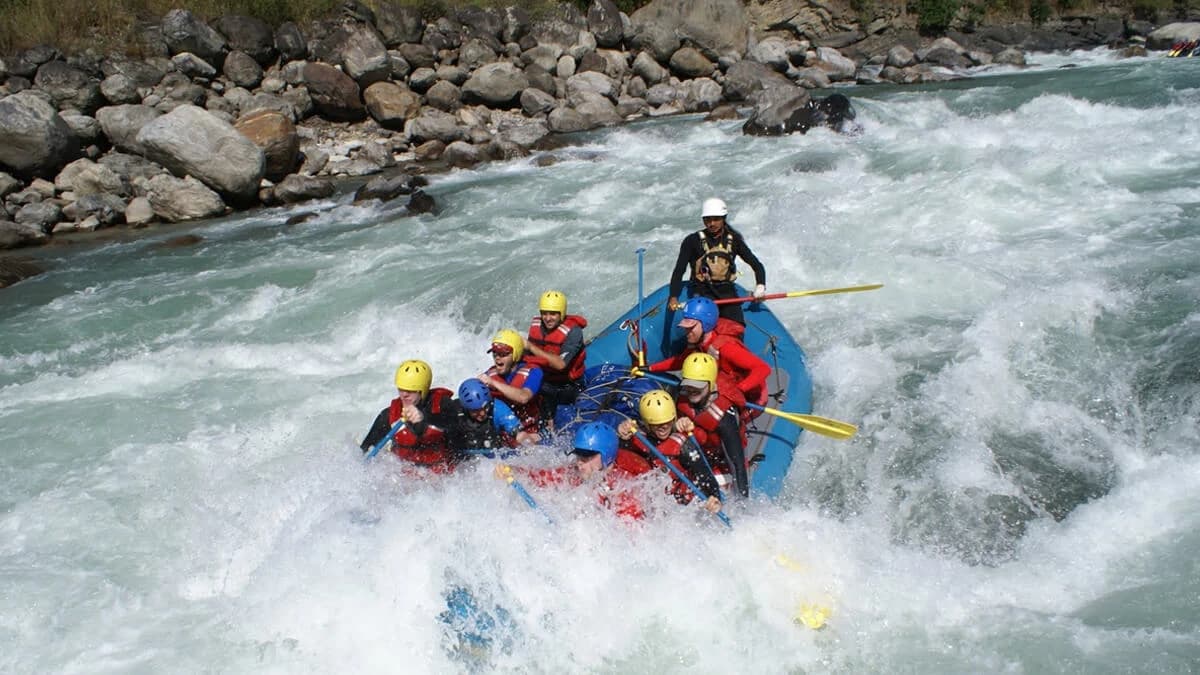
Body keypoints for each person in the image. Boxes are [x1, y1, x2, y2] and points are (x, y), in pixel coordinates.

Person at [495, 422, 648, 520]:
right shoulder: (575, 473)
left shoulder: (623, 487)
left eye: (587, 457)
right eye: (579, 455)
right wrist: (512, 470)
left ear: (607, 456)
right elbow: (541, 478)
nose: (580, 463)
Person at [642, 296, 771, 411]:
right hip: (726, 387)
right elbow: (681, 361)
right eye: (686, 328)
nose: (687, 332)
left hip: (752, 396)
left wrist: (739, 389)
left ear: (706, 325)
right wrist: (651, 368)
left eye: (691, 327)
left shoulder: (726, 347)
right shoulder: (698, 343)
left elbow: (763, 368)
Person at [616, 390, 723, 512]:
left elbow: (705, 475)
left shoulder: (683, 445)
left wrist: (714, 498)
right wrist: (621, 432)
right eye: (656, 424)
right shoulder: (637, 437)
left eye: (667, 422)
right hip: (654, 503)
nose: (663, 427)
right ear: (646, 423)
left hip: (682, 506)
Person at [668, 197, 767, 325]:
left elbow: (756, 265)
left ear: (724, 218)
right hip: (702, 293)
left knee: (736, 327)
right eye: (707, 219)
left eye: (716, 219)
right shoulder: (692, 241)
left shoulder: (734, 240)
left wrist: (760, 286)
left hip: (727, 292)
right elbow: (679, 270)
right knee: (701, 330)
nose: (712, 223)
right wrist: (674, 297)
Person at [360, 359, 462, 471]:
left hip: (441, 473)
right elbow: (365, 450)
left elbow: (454, 426)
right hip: (405, 476)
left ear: (422, 390)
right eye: (401, 389)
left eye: (410, 391)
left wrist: (424, 418)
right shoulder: (388, 415)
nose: (404, 395)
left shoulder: (443, 405)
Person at [674, 352, 751, 498]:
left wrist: (742, 501)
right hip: (696, 456)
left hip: (721, 463)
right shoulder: (683, 397)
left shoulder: (724, 418)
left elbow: (737, 464)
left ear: (710, 384)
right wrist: (676, 425)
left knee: (696, 494)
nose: (692, 391)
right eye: (688, 385)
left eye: (697, 386)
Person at [523, 290, 587, 425]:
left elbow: (560, 364)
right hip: (545, 383)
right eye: (544, 313)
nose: (547, 318)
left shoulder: (574, 332)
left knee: (562, 420)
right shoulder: (536, 327)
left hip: (568, 386)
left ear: (561, 313)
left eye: (553, 314)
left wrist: (531, 347)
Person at [443, 379, 541, 453]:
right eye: (475, 411)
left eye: (485, 407)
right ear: (466, 408)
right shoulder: (455, 410)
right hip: (463, 457)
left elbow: (519, 434)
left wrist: (529, 444)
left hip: (492, 457)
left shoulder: (498, 408)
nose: (482, 414)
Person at [479, 328, 543, 434]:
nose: (497, 358)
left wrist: (493, 383)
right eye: (495, 353)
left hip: (528, 431)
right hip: (501, 431)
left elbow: (524, 397)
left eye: (503, 354)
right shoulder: (490, 374)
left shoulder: (534, 372)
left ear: (515, 355)